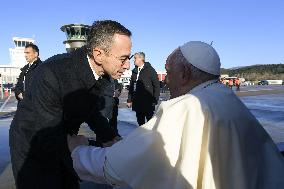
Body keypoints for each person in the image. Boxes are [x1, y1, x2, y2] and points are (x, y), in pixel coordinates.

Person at [68, 41, 284, 189]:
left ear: (185, 73)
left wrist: (78, 152)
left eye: (169, 72)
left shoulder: (186, 106)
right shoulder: (227, 97)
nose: (167, 80)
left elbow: (122, 165)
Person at [9, 20, 132, 189]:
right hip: (33, 146)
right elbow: (45, 130)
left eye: (129, 58)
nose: (127, 65)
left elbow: (90, 110)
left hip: (63, 140)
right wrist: (86, 148)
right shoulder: (53, 73)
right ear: (98, 54)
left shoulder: (102, 73)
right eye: (123, 59)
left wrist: (111, 138)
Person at [127, 52, 160, 125]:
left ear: (141, 59)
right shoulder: (134, 71)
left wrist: (155, 100)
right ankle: (141, 135)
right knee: (140, 124)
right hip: (137, 103)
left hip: (148, 103)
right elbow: (131, 87)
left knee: (149, 124)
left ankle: (149, 136)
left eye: (135, 58)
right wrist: (129, 100)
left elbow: (157, 86)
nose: (134, 60)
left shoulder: (150, 70)